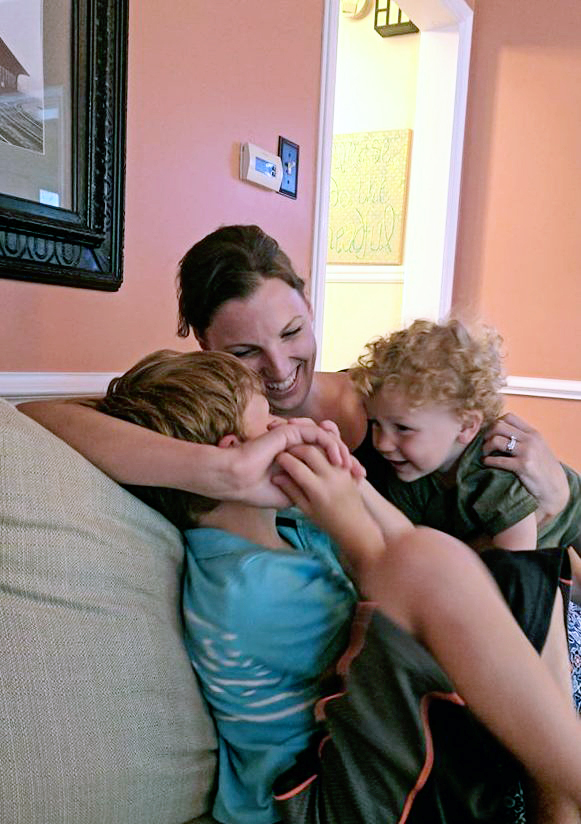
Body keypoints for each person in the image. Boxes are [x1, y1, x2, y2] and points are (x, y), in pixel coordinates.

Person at [92, 348, 581, 824]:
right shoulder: (248, 590)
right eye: (271, 423)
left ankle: (559, 800)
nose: (291, 428)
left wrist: (355, 484)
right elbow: (386, 626)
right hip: (321, 796)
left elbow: (405, 547)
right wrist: (349, 523)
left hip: (353, 747)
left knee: (517, 576)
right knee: (453, 574)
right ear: (234, 455)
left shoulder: (282, 530)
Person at [18, 225, 571, 530]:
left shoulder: (394, 394)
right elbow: (36, 416)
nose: (280, 370)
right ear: (205, 345)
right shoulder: (213, 423)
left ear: (309, 306)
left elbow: (507, 494)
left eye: (291, 332)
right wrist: (222, 470)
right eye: (244, 351)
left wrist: (557, 498)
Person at [349, 318, 581, 554]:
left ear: (466, 427)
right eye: (375, 423)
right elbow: (412, 547)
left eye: (402, 428)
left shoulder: (494, 470)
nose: (382, 443)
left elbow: (514, 563)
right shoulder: (408, 473)